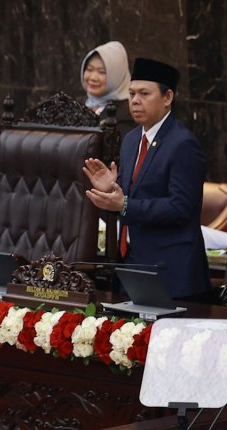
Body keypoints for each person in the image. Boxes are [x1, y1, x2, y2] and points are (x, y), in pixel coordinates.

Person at [83, 57, 211, 300]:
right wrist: (111, 190)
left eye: (144, 93)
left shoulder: (183, 144)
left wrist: (125, 204)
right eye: (131, 94)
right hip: (130, 268)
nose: (135, 101)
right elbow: (129, 198)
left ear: (168, 98)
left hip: (171, 274)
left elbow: (181, 207)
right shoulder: (131, 140)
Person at [81, 41, 135, 137]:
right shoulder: (76, 106)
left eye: (101, 72)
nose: (93, 77)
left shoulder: (128, 114)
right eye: (89, 69)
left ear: (117, 76)